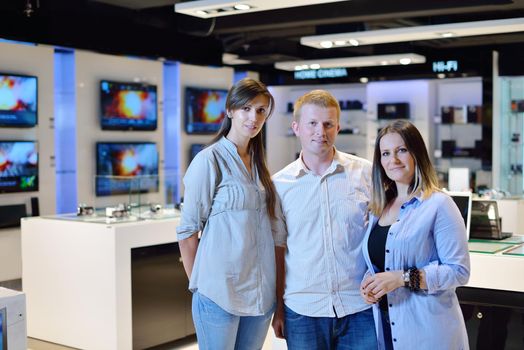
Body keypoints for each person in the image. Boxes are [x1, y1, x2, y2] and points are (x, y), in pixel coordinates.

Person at [271, 89, 377, 349]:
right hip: (303, 310)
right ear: (296, 127)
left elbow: (384, 235)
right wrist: (279, 308)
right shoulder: (279, 185)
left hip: (360, 306)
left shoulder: (366, 173)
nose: (321, 131)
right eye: (313, 124)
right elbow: (277, 251)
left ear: (338, 127)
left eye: (328, 124)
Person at [177, 78, 278, 350]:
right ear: (230, 110)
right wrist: (201, 287)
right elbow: (187, 232)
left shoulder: (260, 165)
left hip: (259, 295)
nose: (253, 117)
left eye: (261, 110)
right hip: (218, 294)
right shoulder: (209, 160)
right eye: (246, 108)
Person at [360, 119, 470, 349]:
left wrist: (402, 278)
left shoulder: (439, 204)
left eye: (402, 150)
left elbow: (459, 272)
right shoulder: (378, 209)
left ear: (416, 153)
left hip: (428, 332)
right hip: (387, 329)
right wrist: (369, 284)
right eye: (386, 153)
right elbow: (381, 264)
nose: (394, 160)